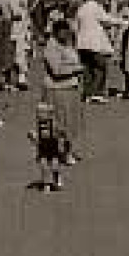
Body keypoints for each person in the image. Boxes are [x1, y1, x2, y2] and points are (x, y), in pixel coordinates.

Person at [42, 19, 86, 163]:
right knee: (59, 124)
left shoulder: (68, 44)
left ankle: (69, 151)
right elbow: (57, 70)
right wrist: (77, 68)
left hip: (71, 88)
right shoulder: (51, 46)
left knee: (72, 123)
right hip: (58, 89)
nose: (66, 35)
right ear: (56, 32)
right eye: (63, 32)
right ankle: (56, 153)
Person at [74, 0, 124, 103]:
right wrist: (122, 22)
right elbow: (106, 20)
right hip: (94, 44)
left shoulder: (81, 8)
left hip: (82, 43)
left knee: (87, 69)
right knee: (100, 67)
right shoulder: (96, 7)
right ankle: (97, 93)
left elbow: (76, 25)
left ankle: (87, 93)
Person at [31, 101, 65, 192]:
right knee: (44, 166)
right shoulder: (38, 124)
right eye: (38, 112)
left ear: (49, 114)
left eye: (42, 112)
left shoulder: (53, 123)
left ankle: (56, 177)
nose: (39, 115)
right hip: (42, 149)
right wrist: (33, 137)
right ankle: (46, 183)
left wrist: (59, 140)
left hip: (53, 149)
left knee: (54, 166)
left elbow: (61, 134)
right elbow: (36, 136)